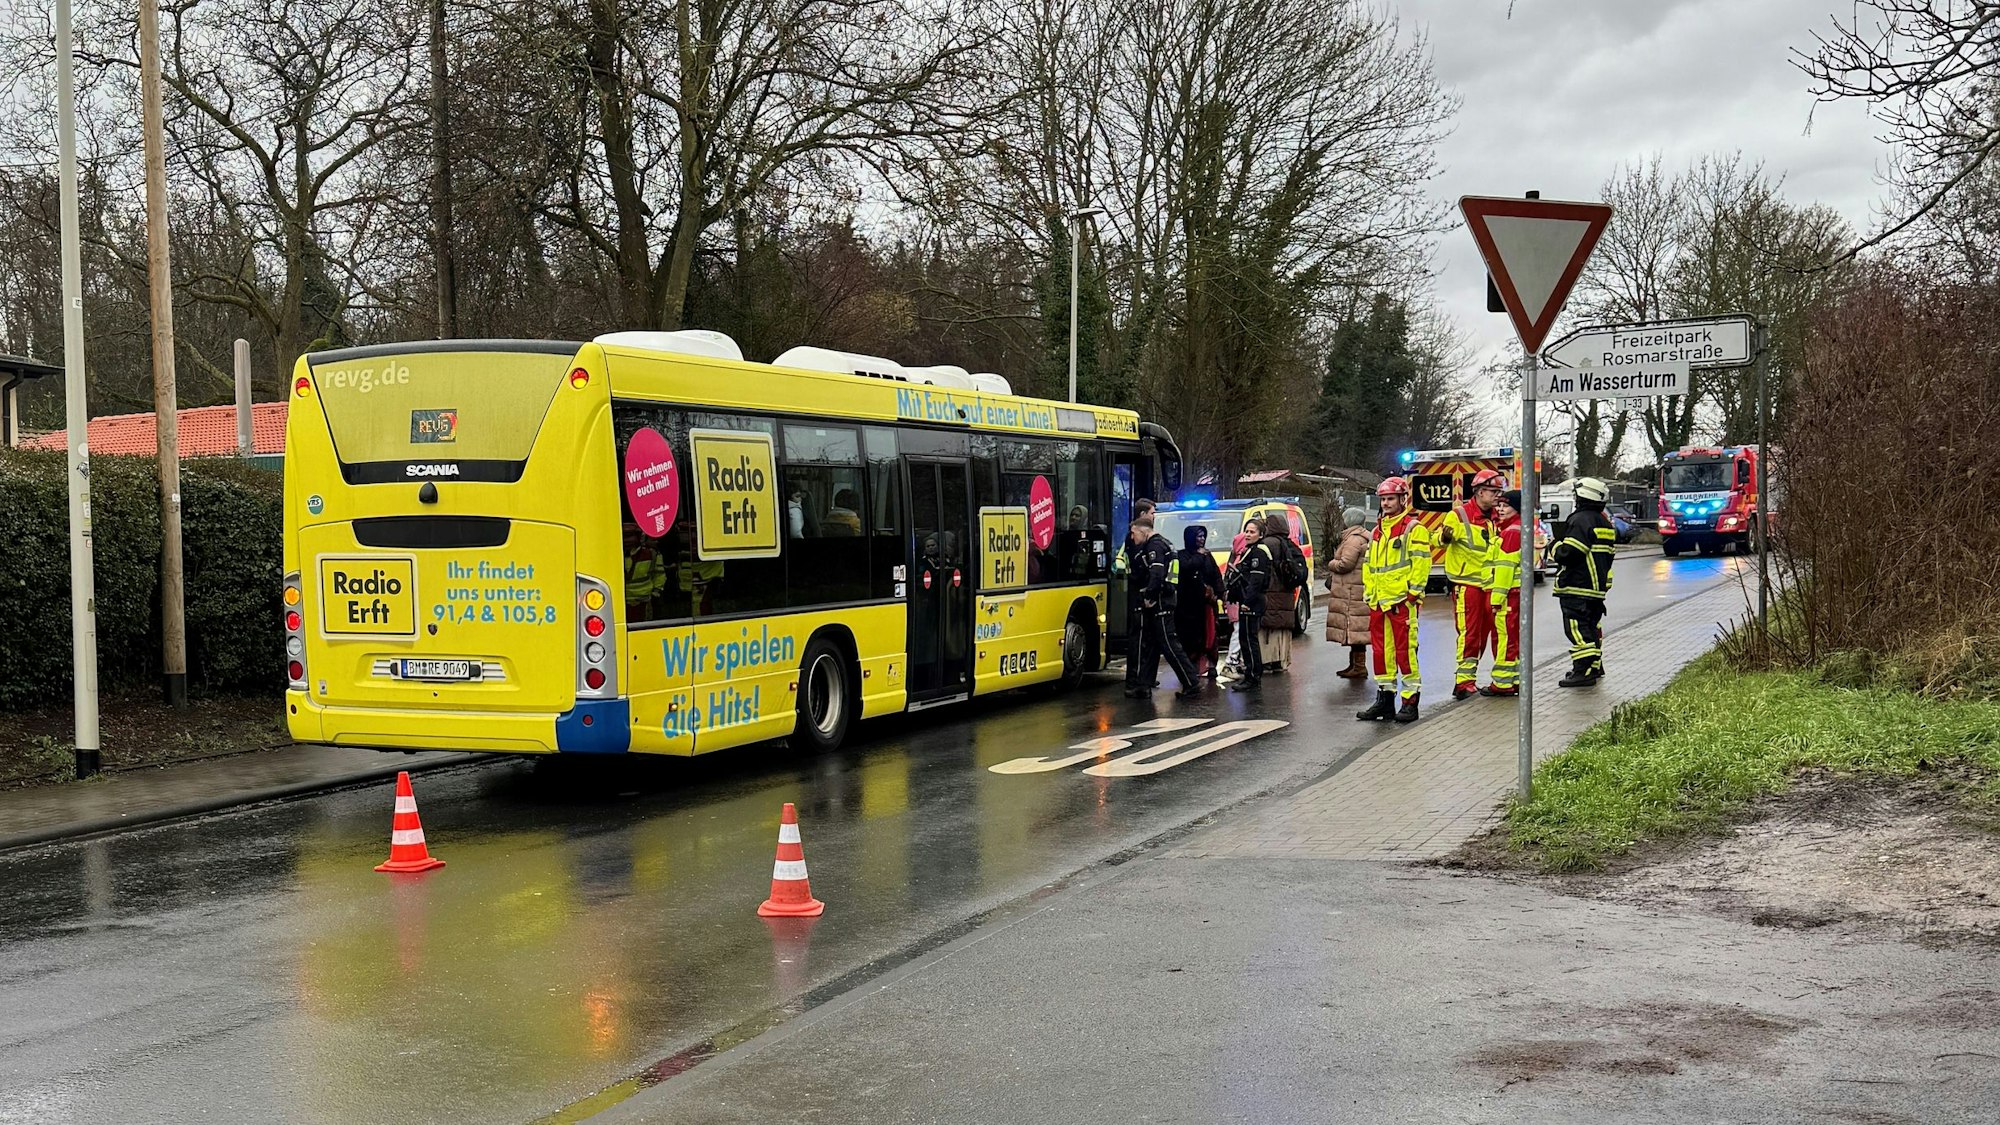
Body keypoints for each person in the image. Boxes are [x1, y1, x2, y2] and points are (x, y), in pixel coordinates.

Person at [1357, 476, 1431, 723]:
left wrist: (1413, 594)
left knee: (1405, 652)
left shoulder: (1413, 528)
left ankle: (1410, 702)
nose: (1386, 503)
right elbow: (1369, 565)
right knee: (1381, 653)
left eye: (1390, 499)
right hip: (1379, 601)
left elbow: (1421, 563)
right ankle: (1385, 700)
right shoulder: (1377, 531)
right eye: (1383, 499)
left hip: (1402, 601)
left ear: (1402, 499)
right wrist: (1369, 592)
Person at [1437, 468, 1503, 700]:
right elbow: (1440, 540)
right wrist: (1444, 537)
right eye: (1494, 491)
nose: (1497, 496)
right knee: (1469, 634)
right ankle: (1464, 682)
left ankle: (1479, 679)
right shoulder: (1459, 515)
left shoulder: (1498, 516)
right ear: (1480, 492)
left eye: (1499, 492)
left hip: (1491, 584)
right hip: (1468, 585)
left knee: (1489, 634)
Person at [1553, 476, 1617, 687]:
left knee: (1577, 629)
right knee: (1590, 628)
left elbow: (1570, 552)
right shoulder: (1603, 521)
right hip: (1595, 589)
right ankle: (1595, 666)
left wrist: (1553, 546)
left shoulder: (1580, 520)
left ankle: (1584, 670)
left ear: (1582, 495)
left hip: (1577, 587)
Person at [1128, 515, 1201, 699]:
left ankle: (1191, 682)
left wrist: (1149, 596)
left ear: (1143, 531)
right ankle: (1144, 685)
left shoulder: (1154, 546)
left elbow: (1157, 573)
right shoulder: (1166, 543)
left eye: (1134, 533)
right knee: (1153, 643)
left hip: (1161, 600)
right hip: (1166, 598)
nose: (1132, 538)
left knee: (1169, 644)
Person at [1482, 490, 1525, 696]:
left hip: (1508, 597)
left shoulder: (1511, 533)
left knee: (1505, 639)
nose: (1499, 509)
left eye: (1505, 506)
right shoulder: (1512, 529)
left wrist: (1496, 599)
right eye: (1498, 505)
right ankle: (1513, 680)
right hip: (1513, 595)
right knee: (1511, 639)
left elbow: (1505, 569)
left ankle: (1502, 684)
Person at [1226, 518, 1276, 692]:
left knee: (1249, 640)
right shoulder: (1250, 550)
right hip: (1247, 601)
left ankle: (1253, 676)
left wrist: (1247, 602)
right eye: (1246, 531)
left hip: (1253, 602)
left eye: (1252, 532)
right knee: (1245, 639)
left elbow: (1256, 580)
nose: (1247, 535)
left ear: (1261, 534)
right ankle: (1251, 674)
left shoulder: (1259, 553)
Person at [1323, 507, 1372, 680]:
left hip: (1351, 591)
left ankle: (1358, 667)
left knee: (1354, 629)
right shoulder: (1364, 536)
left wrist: (1331, 564)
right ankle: (1355, 665)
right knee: (1356, 629)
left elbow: (1345, 564)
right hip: (1357, 588)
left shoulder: (1353, 540)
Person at [1174, 524, 1224, 679]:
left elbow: (1215, 575)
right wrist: (1199, 556)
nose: (1201, 540)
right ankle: (1192, 667)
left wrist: (1221, 592)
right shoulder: (1182, 555)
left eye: (1203, 536)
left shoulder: (1208, 555)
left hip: (1207, 604)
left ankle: (1211, 665)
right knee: (1191, 637)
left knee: (1210, 634)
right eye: (1198, 536)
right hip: (1188, 606)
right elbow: (1187, 568)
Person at [1120, 498, 1157, 692]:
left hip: (1143, 593)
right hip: (1138, 594)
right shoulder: (1134, 539)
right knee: (1139, 638)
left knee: (1147, 638)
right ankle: (1135, 680)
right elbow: (1138, 568)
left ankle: (1145, 677)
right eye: (1152, 513)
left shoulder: (1150, 540)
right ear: (1142, 515)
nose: (1154, 517)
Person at [1219, 516, 1261, 680]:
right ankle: (1231, 662)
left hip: (1233, 601)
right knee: (1239, 631)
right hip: (1239, 601)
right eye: (1247, 532)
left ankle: (1239, 661)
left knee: (1240, 631)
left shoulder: (1234, 558)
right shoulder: (1243, 559)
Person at [1258, 517, 1299, 673]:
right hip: (1286, 592)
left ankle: (1267, 661)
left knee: (1268, 629)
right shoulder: (1288, 544)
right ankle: (1280, 661)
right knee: (1281, 628)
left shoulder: (1267, 544)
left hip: (1270, 591)